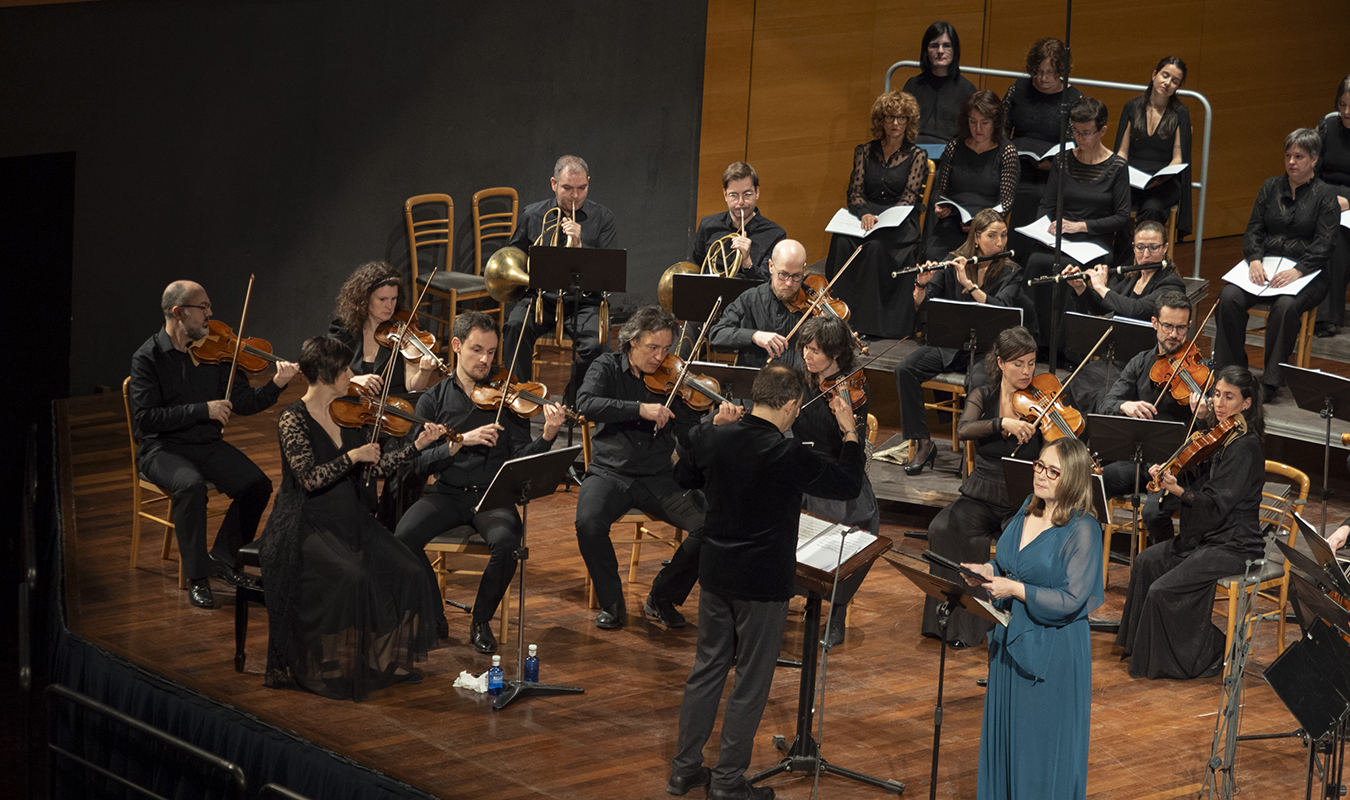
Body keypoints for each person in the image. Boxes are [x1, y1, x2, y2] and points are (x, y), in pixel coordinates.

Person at [668, 365, 863, 800]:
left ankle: (684, 770)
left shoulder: (719, 437)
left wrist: (708, 428)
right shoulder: (786, 453)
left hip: (716, 574)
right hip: (762, 582)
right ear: (792, 405)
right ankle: (727, 782)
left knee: (707, 670)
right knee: (751, 683)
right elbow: (848, 485)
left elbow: (682, 475)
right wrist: (850, 432)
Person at [258, 337, 444, 701]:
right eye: (345, 369)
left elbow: (375, 467)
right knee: (350, 576)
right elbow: (309, 478)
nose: (351, 374)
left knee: (409, 569)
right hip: (306, 522)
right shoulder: (292, 419)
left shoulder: (350, 412)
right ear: (326, 375)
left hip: (351, 517)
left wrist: (417, 446)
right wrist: (352, 456)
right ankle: (321, 663)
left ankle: (383, 661)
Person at [392, 312, 564, 653]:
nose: (485, 360)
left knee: (508, 545)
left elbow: (523, 457)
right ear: (456, 346)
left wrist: (546, 436)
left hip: (493, 496)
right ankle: (434, 613)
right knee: (401, 540)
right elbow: (413, 463)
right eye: (476, 350)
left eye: (491, 351)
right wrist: (457, 443)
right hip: (447, 493)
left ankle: (481, 620)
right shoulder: (434, 400)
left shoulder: (507, 397)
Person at [129, 280, 299, 609]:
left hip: (204, 444)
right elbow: (147, 419)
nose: (210, 314)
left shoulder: (220, 354)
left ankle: (222, 558)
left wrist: (277, 384)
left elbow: (244, 403)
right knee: (191, 487)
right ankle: (197, 577)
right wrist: (202, 409)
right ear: (178, 313)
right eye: (202, 307)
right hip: (161, 449)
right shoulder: (148, 358)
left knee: (258, 485)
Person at [575, 306, 742, 631]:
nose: (660, 357)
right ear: (632, 341)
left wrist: (715, 424)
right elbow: (585, 403)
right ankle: (612, 602)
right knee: (588, 524)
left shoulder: (675, 383)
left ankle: (662, 597)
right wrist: (639, 409)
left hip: (658, 477)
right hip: (609, 473)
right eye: (653, 348)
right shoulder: (606, 366)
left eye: (666, 349)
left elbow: (689, 438)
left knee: (710, 527)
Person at [961, 436, 1103, 800]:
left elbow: (1072, 599)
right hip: (1012, 641)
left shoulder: (1083, 529)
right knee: (1010, 738)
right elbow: (1011, 565)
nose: (1041, 476)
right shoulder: (1028, 507)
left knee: (1040, 749)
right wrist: (987, 570)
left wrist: (1015, 590)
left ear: (1071, 479)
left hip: (1053, 652)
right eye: (1039, 466)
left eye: (1053, 472)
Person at [1116, 366, 1266, 680]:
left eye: (1229, 397)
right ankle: (1140, 648)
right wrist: (1171, 471)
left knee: (1162, 590)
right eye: (1216, 394)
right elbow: (1197, 479)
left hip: (1235, 543)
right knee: (1146, 561)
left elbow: (1216, 502)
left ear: (1247, 404)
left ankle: (1214, 650)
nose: (1219, 403)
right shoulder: (1219, 437)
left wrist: (1178, 489)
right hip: (1209, 535)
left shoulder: (1245, 447)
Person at [921, 326, 1043, 646]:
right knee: (944, 528)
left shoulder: (1042, 402)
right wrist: (1003, 423)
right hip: (984, 490)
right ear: (1000, 363)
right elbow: (963, 430)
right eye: (1019, 363)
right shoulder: (984, 394)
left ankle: (1008, 628)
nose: (1027, 371)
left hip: (1025, 497)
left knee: (1020, 547)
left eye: (1031, 363)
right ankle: (955, 625)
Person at [895, 210, 1035, 475]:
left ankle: (972, 454)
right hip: (950, 344)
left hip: (988, 349)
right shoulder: (953, 261)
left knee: (980, 383)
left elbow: (1002, 308)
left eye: (1003, 235)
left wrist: (969, 285)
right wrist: (921, 285)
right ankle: (923, 443)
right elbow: (922, 307)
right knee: (905, 370)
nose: (1000, 242)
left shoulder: (1011, 271)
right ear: (977, 237)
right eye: (992, 236)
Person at [1214, 128, 1340, 403]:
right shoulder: (1271, 186)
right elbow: (1253, 229)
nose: (1292, 162)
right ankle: (1232, 373)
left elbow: (1325, 243)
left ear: (1314, 159)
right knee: (1229, 297)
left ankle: (1271, 381)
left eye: (1299, 156)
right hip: (1266, 267)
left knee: (1285, 306)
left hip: (1308, 273)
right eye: (1288, 156)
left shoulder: (1325, 196)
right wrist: (1255, 259)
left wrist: (1298, 270)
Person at [501, 155, 617, 397]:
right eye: (567, 188)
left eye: (581, 188)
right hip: (540, 297)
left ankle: (575, 398)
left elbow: (608, 268)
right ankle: (520, 397)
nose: (575, 196)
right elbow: (514, 256)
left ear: (588, 183)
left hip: (583, 301)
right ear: (554, 183)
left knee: (597, 346)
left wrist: (580, 246)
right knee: (514, 328)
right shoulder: (532, 214)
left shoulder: (603, 218)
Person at [795, 316, 877, 647]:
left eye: (815, 350)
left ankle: (836, 609)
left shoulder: (854, 390)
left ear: (837, 354)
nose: (807, 355)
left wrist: (848, 427)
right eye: (805, 347)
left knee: (850, 521)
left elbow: (852, 456)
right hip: (800, 466)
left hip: (836, 471)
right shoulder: (800, 381)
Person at [1025, 97, 1130, 351]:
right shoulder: (1062, 160)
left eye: (1086, 132)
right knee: (1036, 262)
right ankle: (1032, 342)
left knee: (1073, 271)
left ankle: (1068, 348)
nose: (1078, 137)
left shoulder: (1117, 167)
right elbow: (1047, 204)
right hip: (1062, 238)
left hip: (1094, 241)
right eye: (1074, 131)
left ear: (1102, 131)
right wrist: (1042, 228)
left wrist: (1080, 226)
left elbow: (1122, 216)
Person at [823, 90, 929, 339]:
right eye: (889, 117)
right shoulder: (863, 151)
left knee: (874, 249)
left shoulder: (917, 156)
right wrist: (864, 213)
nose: (895, 123)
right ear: (880, 120)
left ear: (909, 122)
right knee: (841, 242)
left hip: (898, 222)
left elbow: (909, 197)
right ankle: (836, 316)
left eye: (901, 118)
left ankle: (869, 324)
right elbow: (855, 191)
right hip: (865, 218)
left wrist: (882, 218)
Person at [1096, 291, 1195, 543]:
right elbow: (1107, 404)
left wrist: (1204, 412)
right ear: (1154, 323)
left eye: (1181, 328)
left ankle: (1163, 567)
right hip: (1140, 462)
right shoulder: (1140, 362)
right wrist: (1125, 406)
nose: (1174, 334)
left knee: (1153, 512)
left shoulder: (1199, 370)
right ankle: (1093, 557)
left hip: (1176, 469)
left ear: (1189, 326)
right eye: (1168, 327)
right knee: (1091, 485)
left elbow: (1214, 427)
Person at [1002, 38, 1084, 262]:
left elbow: (1074, 143)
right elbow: (1001, 129)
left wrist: (1053, 164)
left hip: (1051, 172)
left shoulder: (1074, 99)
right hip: (1015, 164)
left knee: (1034, 196)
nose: (1043, 78)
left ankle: (1024, 261)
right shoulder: (1019, 89)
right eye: (1038, 71)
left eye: (1050, 72)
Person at [923, 90, 1020, 262]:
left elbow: (1005, 202)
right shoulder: (954, 147)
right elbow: (940, 191)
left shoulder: (1007, 152)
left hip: (987, 226)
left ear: (995, 123)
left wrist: (981, 224)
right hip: (954, 220)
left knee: (972, 259)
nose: (978, 129)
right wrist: (939, 205)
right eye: (973, 122)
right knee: (934, 254)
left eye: (985, 122)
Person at [328, 261, 439, 398]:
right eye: (382, 299)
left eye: (393, 299)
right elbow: (327, 374)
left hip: (393, 405)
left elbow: (412, 385)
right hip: (353, 403)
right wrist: (352, 381)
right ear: (364, 299)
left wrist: (424, 372)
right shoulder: (344, 330)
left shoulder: (404, 330)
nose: (389, 306)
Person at [1114, 57, 1194, 239]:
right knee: (1116, 205)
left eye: (1175, 81)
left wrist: (1158, 180)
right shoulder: (1132, 106)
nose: (1168, 83)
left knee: (1152, 209)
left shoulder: (1181, 113)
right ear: (1154, 75)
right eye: (1165, 76)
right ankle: (1122, 261)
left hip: (1163, 183)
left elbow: (1178, 159)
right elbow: (1122, 152)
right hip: (1132, 178)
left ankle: (1146, 260)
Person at [708, 239, 810, 370]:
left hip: (799, 386)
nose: (789, 283)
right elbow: (717, 335)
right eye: (783, 274)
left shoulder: (811, 304)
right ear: (771, 266)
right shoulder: (751, 299)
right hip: (756, 384)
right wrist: (753, 336)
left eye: (796, 276)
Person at [1062, 220, 1186, 321]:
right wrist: (1081, 287)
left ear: (1165, 248)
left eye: (1153, 247)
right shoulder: (1131, 278)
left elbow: (1136, 310)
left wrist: (1101, 287)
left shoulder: (1172, 284)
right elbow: (1101, 307)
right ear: (1134, 247)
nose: (1146, 254)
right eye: (1140, 247)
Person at [690, 162, 787, 284]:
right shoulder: (708, 225)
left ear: (757, 192)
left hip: (750, 302)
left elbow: (770, 285)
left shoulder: (774, 235)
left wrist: (747, 262)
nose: (740, 202)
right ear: (725, 195)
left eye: (747, 194)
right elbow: (694, 270)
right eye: (734, 195)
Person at [1313, 75, 1350, 337]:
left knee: (1337, 235)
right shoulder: (1327, 126)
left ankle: (1329, 316)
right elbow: (1312, 168)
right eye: (1342, 104)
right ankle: (1317, 311)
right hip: (1326, 195)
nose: (1346, 112)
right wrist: (1324, 196)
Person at [901, 21, 977, 146]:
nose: (940, 51)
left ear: (955, 50)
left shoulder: (967, 89)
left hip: (950, 155)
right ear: (926, 50)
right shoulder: (913, 85)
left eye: (947, 45)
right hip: (913, 152)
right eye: (934, 46)